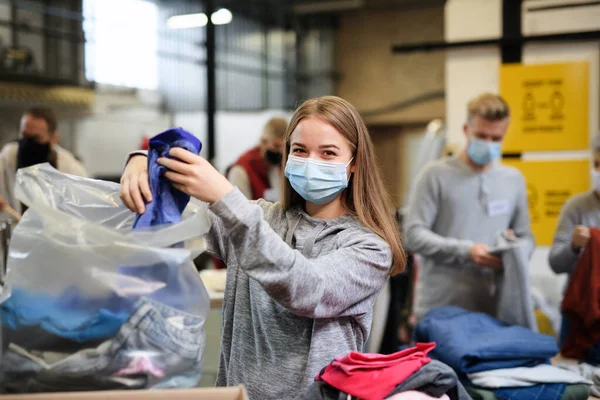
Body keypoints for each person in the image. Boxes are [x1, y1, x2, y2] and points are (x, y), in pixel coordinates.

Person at [120, 96, 405, 399]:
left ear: (354, 165)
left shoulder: (370, 249)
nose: (311, 162)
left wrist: (226, 198)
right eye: (300, 150)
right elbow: (174, 209)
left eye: (328, 153)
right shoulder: (263, 217)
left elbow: (306, 288)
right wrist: (146, 161)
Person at [404, 93, 534, 321]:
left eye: (496, 138)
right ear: (466, 130)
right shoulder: (435, 175)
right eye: (482, 136)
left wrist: (513, 252)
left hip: (494, 310)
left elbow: (527, 238)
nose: (489, 144)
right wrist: (467, 251)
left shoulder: (513, 179)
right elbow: (413, 235)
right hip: (440, 311)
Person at [549, 133, 600, 345]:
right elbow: (555, 262)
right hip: (579, 316)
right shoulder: (576, 207)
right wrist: (573, 245)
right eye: (596, 164)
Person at [0, 106, 87, 217]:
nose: (28, 144)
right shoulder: (7, 158)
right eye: (24, 136)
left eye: (36, 138)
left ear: (53, 138)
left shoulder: (72, 170)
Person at [226, 117, 288, 202]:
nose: (281, 151)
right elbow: (239, 211)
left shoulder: (281, 166)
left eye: (285, 147)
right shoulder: (241, 170)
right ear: (263, 142)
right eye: (276, 145)